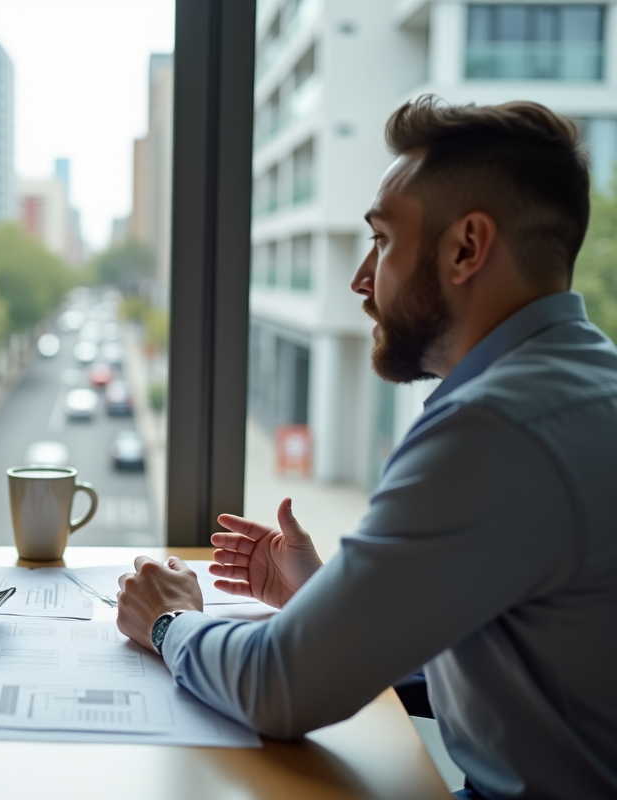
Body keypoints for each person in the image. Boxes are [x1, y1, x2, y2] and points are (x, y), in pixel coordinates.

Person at [116, 96, 617, 799]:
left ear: (466, 248)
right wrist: (328, 604)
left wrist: (170, 622)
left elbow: (279, 690)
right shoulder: (581, 385)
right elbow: (515, 656)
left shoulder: (495, 427)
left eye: (381, 240)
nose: (360, 279)